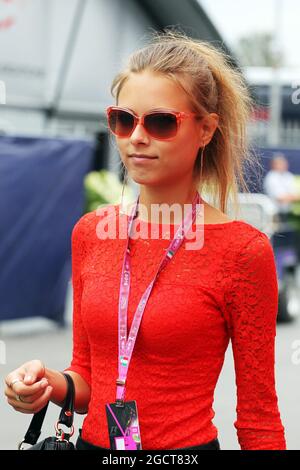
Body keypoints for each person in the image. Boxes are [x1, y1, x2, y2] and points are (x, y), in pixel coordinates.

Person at [4, 29, 286, 451]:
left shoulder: (243, 251)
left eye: (160, 122)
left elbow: (259, 417)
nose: (136, 136)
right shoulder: (90, 233)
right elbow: (88, 377)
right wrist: (47, 384)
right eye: (123, 119)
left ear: (206, 130)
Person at [263, 153, 300, 219]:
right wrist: (295, 197)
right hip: (275, 215)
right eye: (279, 163)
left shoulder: (288, 175)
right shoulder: (271, 177)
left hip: (289, 214)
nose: (283, 165)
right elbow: (280, 198)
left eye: (283, 162)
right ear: (273, 164)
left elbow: (294, 193)